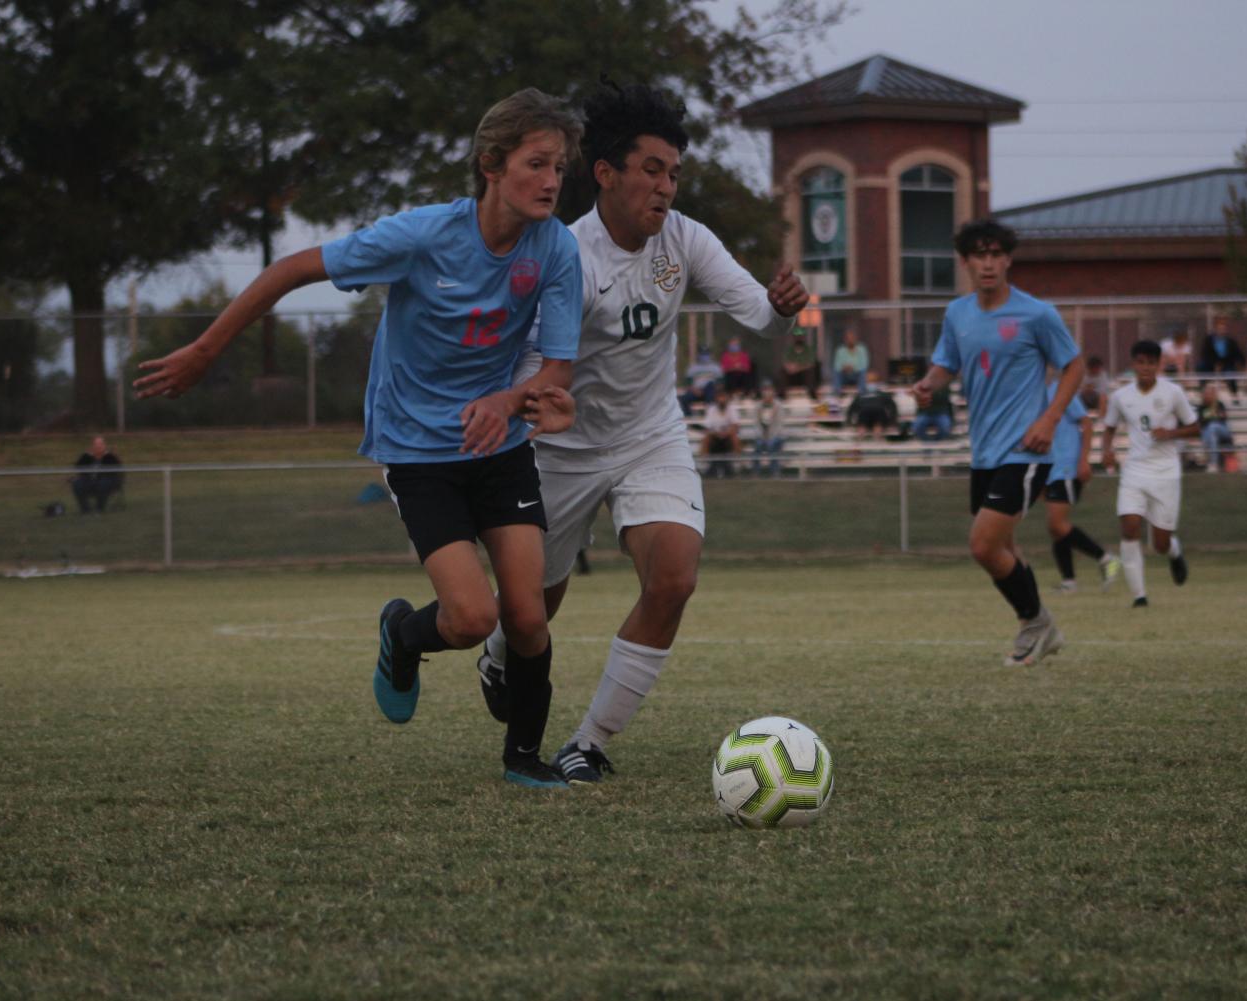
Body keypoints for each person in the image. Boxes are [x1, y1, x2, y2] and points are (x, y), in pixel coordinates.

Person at [134, 89, 583, 789]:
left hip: (498, 446)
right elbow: (290, 270)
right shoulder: (421, 236)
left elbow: (555, 365)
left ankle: (523, 757)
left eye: (559, 165)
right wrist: (205, 349)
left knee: (526, 614)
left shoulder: (554, 246)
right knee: (470, 617)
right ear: (491, 165)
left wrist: (517, 399)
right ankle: (404, 634)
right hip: (417, 451)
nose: (553, 180)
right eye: (537, 163)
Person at [477, 81, 807, 784]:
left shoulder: (683, 239)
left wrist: (782, 310)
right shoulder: (564, 255)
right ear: (605, 174)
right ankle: (499, 654)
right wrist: (535, 406)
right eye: (652, 170)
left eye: (674, 173)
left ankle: (588, 742)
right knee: (536, 607)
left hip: (648, 437)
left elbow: (760, 314)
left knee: (674, 577)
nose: (665, 187)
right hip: (560, 451)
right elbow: (532, 367)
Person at [910, 218, 1084, 667]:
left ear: (1007, 259)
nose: (988, 264)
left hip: (1028, 449)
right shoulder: (958, 313)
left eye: (995, 255)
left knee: (983, 545)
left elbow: (1074, 367)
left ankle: (1035, 623)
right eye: (978, 256)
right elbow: (946, 363)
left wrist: (1050, 418)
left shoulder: (1037, 314)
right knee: (1002, 548)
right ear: (966, 262)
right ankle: (1039, 627)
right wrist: (929, 383)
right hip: (984, 450)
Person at [1099, 340, 1200, 608]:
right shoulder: (1121, 396)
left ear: (1158, 365)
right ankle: (1139, 597)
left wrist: (1171, 433)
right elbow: (1109, 427)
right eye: (1140, 362)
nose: (1145, 367)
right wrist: (1106, 450)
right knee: (1129, 526)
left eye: (1151, 362)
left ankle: (1174, 551)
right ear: (1133, 364)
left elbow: (1195, 428)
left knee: (1159, 544)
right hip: (1134, 471)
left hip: (1166, 473)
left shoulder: (1173, 393)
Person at [1042, 380, 1120, 593]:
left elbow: (1086, 422)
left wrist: (1083, 460)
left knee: (1057, 524)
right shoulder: (1031, 395)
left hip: (1066, 466)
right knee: (1056, 527)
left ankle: (1105, 558)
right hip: (1048, 469)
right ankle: (1069, 582)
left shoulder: (1059, 388)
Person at [70, 435, 123, 514]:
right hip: (90, 481)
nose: (98, 446)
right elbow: (78, 467)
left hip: (108, 482)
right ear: (92, 446)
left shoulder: (110, 456)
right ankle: (86, 510)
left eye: (100, 444)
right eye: (96, 444)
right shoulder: (87, 456)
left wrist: (106, 455)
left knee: (103, 483)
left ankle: (99, 509)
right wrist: (88, 455)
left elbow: (117, 468)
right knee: (77, 483)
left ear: (104, 446)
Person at [701, 387, 742, 477]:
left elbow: (736, 426)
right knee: (706, 438)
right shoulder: (711, 409)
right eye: (719, 397)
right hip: (715, 436)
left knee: (735, 437)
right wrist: (716, 433)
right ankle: (704, 465)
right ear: (716, 398)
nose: (721, 399)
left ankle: (737, 465)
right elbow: (707, 428)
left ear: (727, 398)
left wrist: (726, 433)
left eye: (723, 397)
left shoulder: (732, 409)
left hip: (728, 436)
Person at [1198, 315, 1244, 394]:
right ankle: (1202, 391)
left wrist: (1241, 364)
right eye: (1219, 329)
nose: (1221, 331)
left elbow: (1238, 353)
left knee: (1230, 374)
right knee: (1201, 367)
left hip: (1226, 365)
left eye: (1223, 329)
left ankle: (1234, 395)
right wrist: (1215, 364)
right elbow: (1205, 354)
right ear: (1216, 329)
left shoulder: (1231, 341)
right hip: (1211, 364)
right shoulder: (1209, 340)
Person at [1196, 382, 1235, 472]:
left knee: (1212, 427)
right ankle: (1213, 464)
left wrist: (1212, 416)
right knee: (1212, 436)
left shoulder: (1219, 404)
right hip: (1208, 432)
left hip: (1222, 430)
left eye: (1210, 394)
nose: (1207, 395)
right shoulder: (1201, 407)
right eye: (1206, 394)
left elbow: (1223, 418)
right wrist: (1214, 416)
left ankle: (1208, 457)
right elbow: (1201, 422)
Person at [752, 381, 788, 476]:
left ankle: (775, 471)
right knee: (758, 444)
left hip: (776, 436)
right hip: (762, 436)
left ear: (773, 392)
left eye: (769, 390)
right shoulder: (757, 406)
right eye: (765, 390)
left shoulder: (778, 406)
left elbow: (780, 425)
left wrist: (770, 437)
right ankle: (756, 472)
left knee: (772, 444)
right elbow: (756, 424)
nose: (767, 393)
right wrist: (762, 436)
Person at [846, 375, 898, 440]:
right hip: (873, 413)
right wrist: (892, 420)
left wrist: (849, 421)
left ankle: (859, 441)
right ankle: (876, 439)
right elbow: (892, 406)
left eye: (872, 382)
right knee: (876, 423)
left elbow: (851, 409)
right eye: (870, 382)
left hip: (869, 413)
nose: (871, 384)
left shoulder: (862, 395)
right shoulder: (881, 394)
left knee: (865, 423)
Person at [677, 348, 723, 415]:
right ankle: (690, 419)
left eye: (706, 354)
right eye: (702, 354)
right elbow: (687, 384)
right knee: (682, 399)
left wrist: (715, 389)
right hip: (696, 392)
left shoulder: (716, 367)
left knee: (710, 385)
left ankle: (709, 416)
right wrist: (695, 390)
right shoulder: (693, 367)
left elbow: (720, 384)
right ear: (698, 355)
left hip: (711, 393)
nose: (704, 356)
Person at [781, 329, 821, 399]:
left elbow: (811, 364)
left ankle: (812, 393)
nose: (798, 338)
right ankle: (782, 395)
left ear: (803, 337)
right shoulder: (789, 350)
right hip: (792, 376)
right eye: (797, 336)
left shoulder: (808, 349)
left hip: (804, 377)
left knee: (810, 371)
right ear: (794, 337)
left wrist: (797, 368)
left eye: (800, 336)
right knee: (782, 372)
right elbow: (786, 364)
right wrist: (798, 366)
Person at [831, 329, 869, 397]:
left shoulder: (862, 349)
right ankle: (838, 395)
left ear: (855, 339)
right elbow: (836, 366)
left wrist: (852, 368)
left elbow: (864, 365)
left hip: (856, 375)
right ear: (845, 340)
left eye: (852, 338)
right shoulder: (840, 350)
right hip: (844, 375)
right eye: (848, 338)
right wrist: (844, 368)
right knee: (836, 372)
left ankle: (861, 395)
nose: (850, 340)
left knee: (863, 372)